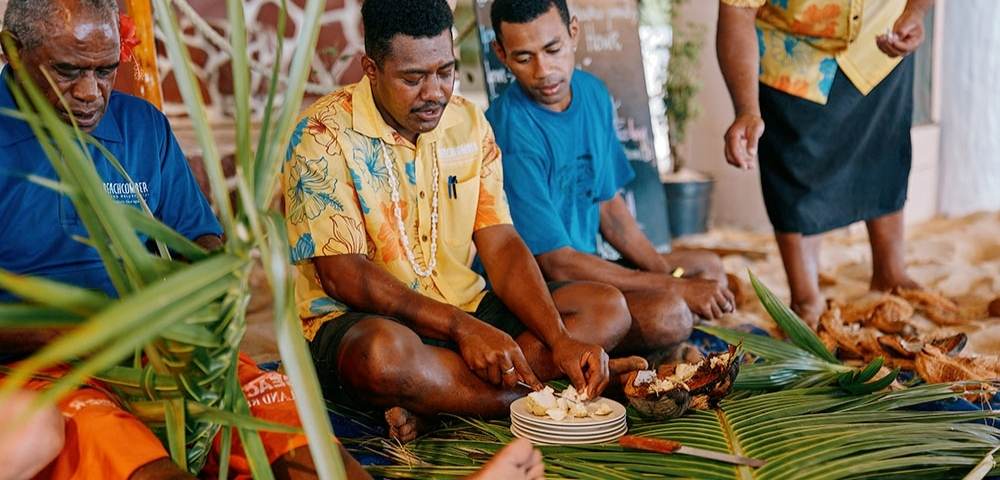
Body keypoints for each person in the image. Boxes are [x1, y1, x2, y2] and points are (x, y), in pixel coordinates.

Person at [0, 1, 548, 478]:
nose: (91, 92)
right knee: (123, 448)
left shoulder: (140, 125)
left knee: (285, 417)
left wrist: (207, 300)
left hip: (161, 351)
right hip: (46, 366)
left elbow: (202, 242)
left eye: (105, 70)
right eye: (68, 71)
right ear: (11, 51)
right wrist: (98, 333)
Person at [283, 0, 646, 444]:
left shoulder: (470, 122)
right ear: (371, 69)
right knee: (381, 358)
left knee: (605, 308)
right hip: (367, 321)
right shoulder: (320, 134)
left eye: (445, 71)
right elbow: (343, 276)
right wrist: (461, 328)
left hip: (466, 308)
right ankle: (542, 396)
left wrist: (558, 337)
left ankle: (440, 401)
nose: (434, 92)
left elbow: (501, 241)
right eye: (412, 78)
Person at [485, 0, 735, 358]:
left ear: (573, 34)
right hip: (544, 287)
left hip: (589, 267)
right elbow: (556, 261)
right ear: (501, 53)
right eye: (524, 58)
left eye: (553, 49)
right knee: (670, 313)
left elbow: (609, 208)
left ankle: (667, 345)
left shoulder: (592, 93)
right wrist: (672, 290)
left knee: (707, 267)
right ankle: (664, 348)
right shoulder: (508, 130)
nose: (544, 71)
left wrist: (671, 276)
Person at [717, 0, 933, 326]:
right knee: (796, 172)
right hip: (794, 57)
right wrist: (747, 109)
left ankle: (891, 273)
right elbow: (738, 10)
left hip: (881, 44)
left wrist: (915, 12)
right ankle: (805, 296)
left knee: (884, 153)